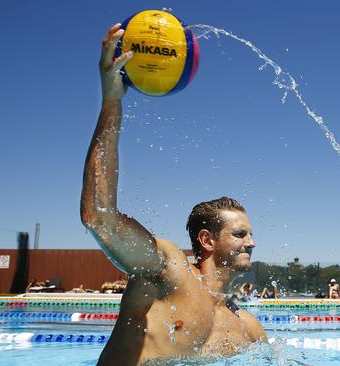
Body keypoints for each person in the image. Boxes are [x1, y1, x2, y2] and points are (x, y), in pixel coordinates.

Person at [80, 24, 266, 365]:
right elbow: (99, 216)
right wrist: (111, 101)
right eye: (240, 234)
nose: (251, 243)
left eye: (251, 234)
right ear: (207, 240)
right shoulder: (168, 270)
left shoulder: (249, 328)